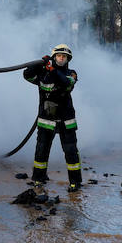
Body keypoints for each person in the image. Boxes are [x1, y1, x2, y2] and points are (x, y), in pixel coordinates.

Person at [22, 43, 82, 191]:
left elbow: (66, 83)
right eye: (58, 56)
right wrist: (39, 65)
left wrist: (52, 70)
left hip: (65, 121)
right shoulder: (44, 73)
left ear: (68, 59)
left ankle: (75, 182)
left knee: (71, 152)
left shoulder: (71, 74)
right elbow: (27, 75)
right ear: (54, 57)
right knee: (41, 151)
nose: (61, 59)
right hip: (46, 120)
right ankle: (38, 179)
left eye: (64, 57)